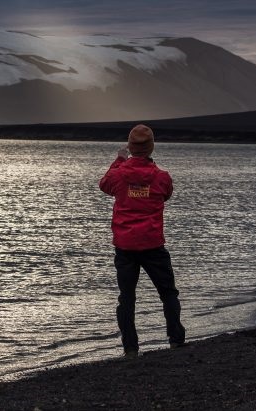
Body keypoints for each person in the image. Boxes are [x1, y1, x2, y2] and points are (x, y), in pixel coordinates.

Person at [99, 124, 185, 357]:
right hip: (153, 245)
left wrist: (119, 160)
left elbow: (104, 184)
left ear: (130, 147)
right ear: (151, 147)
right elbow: (166, 194)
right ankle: (176, 340)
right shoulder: (161, 177)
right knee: (168, 293)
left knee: (127, 297)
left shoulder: (118, 174)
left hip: (126, 247)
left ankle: (130, 348)